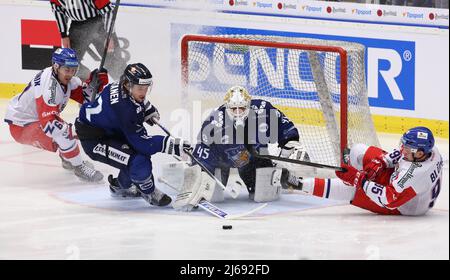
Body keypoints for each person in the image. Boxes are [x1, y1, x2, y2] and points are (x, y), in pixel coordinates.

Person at [172, 85, 308, 211]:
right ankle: (186, 172)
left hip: (252, 160)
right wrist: (199, 177)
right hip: (221, 162)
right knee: (214, 197)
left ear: (248, 106)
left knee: (263, 195)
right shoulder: (214, 122)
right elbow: (203, 150)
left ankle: (279, 176)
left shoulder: (263, 110)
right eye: (233, 109)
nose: (238, 113)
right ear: (227, 107)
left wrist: (290, 142)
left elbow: (284, 125)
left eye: (242, 108)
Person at [75, 63, 190, 206]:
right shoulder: (124, 109)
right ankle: (147, 191)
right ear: (128, 84)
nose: (144, 92)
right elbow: (143, 144)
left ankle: (120, 185)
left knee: (136, 156)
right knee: (139, 161)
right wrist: (170, 144)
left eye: (146, 88)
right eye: (140, 88)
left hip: (110, 129)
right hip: (95, 140)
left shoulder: (121, 86)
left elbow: (134, 102)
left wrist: (147, 108)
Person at [4, 48, 107, 182]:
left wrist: (96, 84)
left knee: (64, 131)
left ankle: (68, 159)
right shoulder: (50, 88)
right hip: (22, 126)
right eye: (67, 70)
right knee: (63, 131)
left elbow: (88, 99)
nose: (70, 74)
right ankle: (78, 167)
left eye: (73, 70)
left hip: (34, 120)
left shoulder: (65, 79)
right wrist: (77, 131)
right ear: (56, 66)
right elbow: (49, 124)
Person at [290, 127, 443, 216]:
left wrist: (359, 180)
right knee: (358, 151)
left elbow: (389, 200)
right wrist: (382, 161)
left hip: (403, 205)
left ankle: (300, 184)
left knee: (350, 189)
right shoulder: (430, 151)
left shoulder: (414, 175)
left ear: (420, 153)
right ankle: (362, 179)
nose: (403, 150)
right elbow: (400, 154)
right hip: (401, 185)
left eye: (408, 149)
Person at [50, 0, 125, 80]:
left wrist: (108, 35)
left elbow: (108, 10)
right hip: (77, 27)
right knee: (70, 61)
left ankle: (125, 87)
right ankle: (88, 83)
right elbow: (58, 10)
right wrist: (63, 35)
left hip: (99, 24)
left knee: (113, 61)